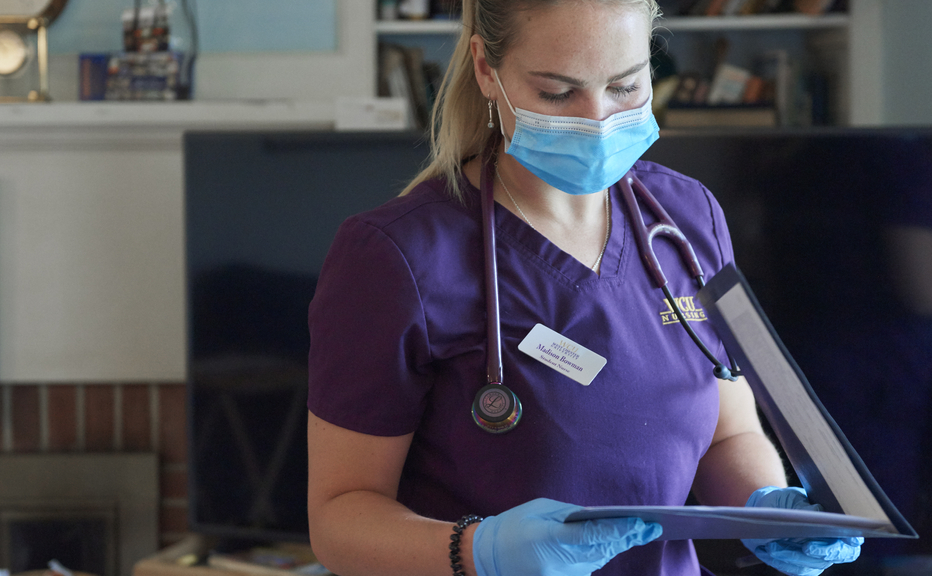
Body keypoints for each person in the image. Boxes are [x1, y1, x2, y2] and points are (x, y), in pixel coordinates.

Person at [306, 1, 863, 575]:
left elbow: (727, 429)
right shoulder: (395, 257)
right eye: (557, 93)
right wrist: (479, 552)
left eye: (624, 86)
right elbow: (339, 518)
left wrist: (766, 510)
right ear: (484, 68)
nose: (597, 119)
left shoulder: (688, 218)